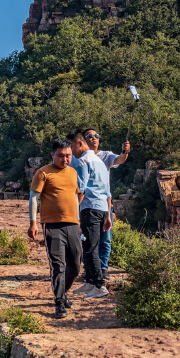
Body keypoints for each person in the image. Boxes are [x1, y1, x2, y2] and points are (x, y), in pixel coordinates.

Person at [27, 139, 82, 319]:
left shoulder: (73, 172)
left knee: (75, 265)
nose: (65, 159)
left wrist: (77, 216)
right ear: (53, 155)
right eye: (61, 156)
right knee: (58, 265)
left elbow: (76, 194)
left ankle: (63, 292)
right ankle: (59, 302)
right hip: (52, 225)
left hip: (73, 224)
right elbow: (34, 198)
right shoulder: (43, 173)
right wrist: (33, 222)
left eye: (68, 156)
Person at [67, 128, 112, 299]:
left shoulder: (83, 162)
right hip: (101, 209)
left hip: (90, 209)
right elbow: (108, 191)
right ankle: (90, 282)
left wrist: (72, 211)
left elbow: (81, 189)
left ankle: (99, 286)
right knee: (89, 245)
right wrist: (108, 215)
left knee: (90, 247)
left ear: (79, 143)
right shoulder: (99, 162)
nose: (71, 152)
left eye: (71, 147)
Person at [83, 128, 130, 277]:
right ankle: (89, 269)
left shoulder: (106, 155)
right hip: (87, 203)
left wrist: (125, 152)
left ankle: (103, 268)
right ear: (83, 140)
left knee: (106, 239)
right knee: (89, 239)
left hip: (105, 203)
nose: (94, 138)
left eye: (96, 135)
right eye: (90, 136)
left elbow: (119, 160)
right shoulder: (81, 158)